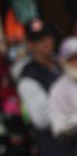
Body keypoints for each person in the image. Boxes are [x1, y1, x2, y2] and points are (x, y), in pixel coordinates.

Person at [16, 19, 62, 155]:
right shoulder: (28, 77)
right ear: (30, 45)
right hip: (55, 147)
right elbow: (42, 119)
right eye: (38, 39)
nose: (45, 42)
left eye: (47, 36)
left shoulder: (61, 63)